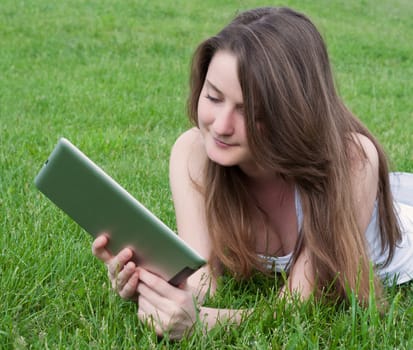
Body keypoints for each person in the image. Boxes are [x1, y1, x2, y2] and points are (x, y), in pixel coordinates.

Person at [92, 6, 413, 339]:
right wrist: (151, 285)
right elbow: (202, 282)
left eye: (249, 111)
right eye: (213, 97)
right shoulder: (193, 152)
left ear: (294, 112)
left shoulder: (351, 161)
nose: (221, 125)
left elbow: (297, 306)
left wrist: (202, 324)